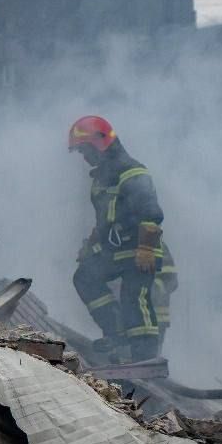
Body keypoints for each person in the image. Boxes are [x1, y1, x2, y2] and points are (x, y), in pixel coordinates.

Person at [68, 115, 177, 363]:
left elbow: (151, 212)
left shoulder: (131, 171)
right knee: (85, 276)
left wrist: (146, 248)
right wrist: (91, 245)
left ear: (100, 142)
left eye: (85, 149)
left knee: (134, 297)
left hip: (139, 247)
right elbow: (105, 219)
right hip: (116, 251)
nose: (84, 157)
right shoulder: (101, 179)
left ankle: (145, 355)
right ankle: (117, 333)